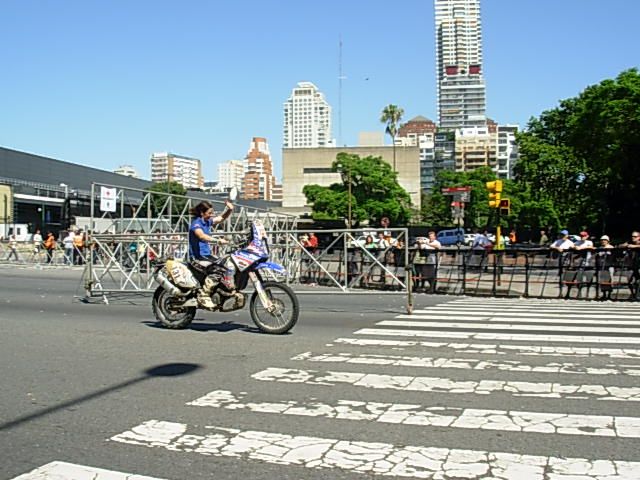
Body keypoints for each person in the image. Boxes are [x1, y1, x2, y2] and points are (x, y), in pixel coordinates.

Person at [188, 199, 234, 309]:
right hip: (197, 258)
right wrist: (217, 241)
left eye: (212, 213)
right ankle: (204, 295)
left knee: (226, 264)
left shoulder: (207, 222)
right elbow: (202, 236)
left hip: (207, 256)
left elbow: (222, 218)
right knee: (217, 269)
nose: (211, 215)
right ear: (202, 213)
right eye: (209, 213)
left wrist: (230, 209)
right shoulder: (196, 224)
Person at [621, 231, 640, 300]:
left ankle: (638, 295)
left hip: (639, 265)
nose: (633, 238)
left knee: (638, 281)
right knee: (629, 281)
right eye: (632, 236)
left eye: (635, 236)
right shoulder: (630, 242)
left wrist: (634, 246)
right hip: (632, 265)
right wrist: (625, 245)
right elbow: (620, 245)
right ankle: (633, 295)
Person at [596, 235, 615, 300]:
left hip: (609, 266)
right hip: (602, 266)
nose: (603, 241)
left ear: (608, 241)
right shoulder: (599, 248)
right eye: (602, 240)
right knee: (602, 280)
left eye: (605, 240)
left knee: (610, 279)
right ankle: (604, 294)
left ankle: (609, 295)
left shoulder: (611, 247)